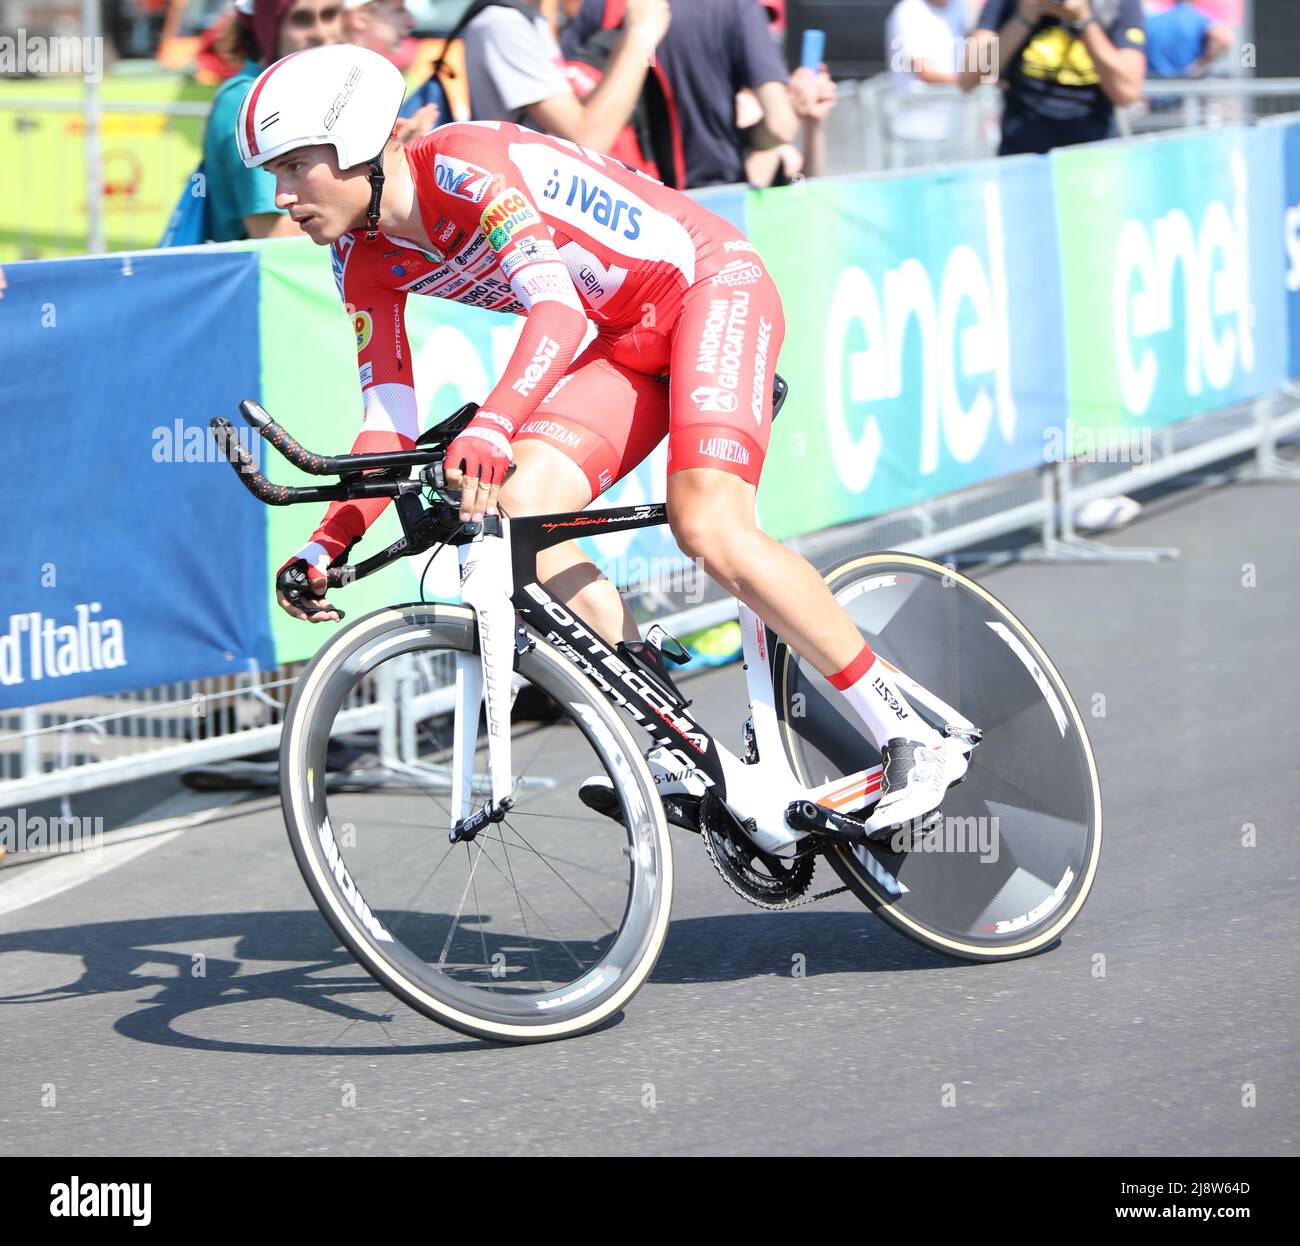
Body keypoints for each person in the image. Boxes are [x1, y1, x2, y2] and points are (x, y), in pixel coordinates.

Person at [235, 43, 972, 833]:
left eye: (296, 167)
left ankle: (909, 731)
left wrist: (493, 423)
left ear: (357, 147)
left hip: (709, 288)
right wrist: (325, 544)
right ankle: (670, 735)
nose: (282, 195)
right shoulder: (361, 256)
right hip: (626, 342)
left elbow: (557, 312)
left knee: (708, 527)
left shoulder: (466, 165)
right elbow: (389, 419)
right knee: (522, 508)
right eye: (270, 174)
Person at [562, 0, 802, 190]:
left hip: (628, 200)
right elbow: (780, 125)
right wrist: (744, 139)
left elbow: (569, 106)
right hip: (716, 198)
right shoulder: (734, 7)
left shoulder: (601, 6)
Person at [201, 0, 344, 241]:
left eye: (330, 15)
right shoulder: (247, 100)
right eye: (301, 19)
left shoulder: (302, 91)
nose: (321, 33)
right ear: (269, 27)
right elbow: (275, 236)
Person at [459, 0, 671, 153]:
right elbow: (588, 140)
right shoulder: (502, 23)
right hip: (527, 199)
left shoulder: (531, 17)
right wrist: (640, 34)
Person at [959, 0, 1147, 155]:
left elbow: (1127, 93)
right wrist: (1024, 17)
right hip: (1023, 155)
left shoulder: (1117, 4)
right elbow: (969, 79)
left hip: (1093, 155)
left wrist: (1083, 21)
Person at [887, 0, 965, 163]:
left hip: (955, 130)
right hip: (917, 134)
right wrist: (970, 81)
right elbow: (924, 72)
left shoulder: (959, 7)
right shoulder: (908, 11)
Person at [1144, 0, 1232, 79]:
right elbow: (1223, 38)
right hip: (1185, 86)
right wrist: (1203, 63)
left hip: (1154, 87)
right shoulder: (1196, 19)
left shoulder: (1152, 21)